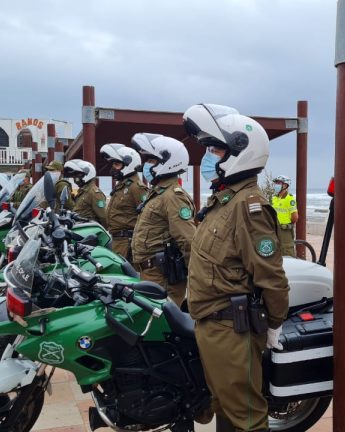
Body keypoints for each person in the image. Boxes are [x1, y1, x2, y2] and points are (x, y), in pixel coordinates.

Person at [183, 103, 289, 432]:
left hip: (231, 329)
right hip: (211, 325)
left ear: (241, 153)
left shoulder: (249, 205)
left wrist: (274, 325)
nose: (210, 156)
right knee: (225, 409)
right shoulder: (224, 200)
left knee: (246, 416)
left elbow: (270, 275)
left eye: (216, 149)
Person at [130, 133, 195, 307]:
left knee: (160, 329)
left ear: (168, 162)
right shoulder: (158, 193)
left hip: (163, 277)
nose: (146, 165)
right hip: (152, 274)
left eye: (152, 160)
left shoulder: (173, 196)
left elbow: (187, 240)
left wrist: (196, 280)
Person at [100, 143, 148, 260]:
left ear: (128, 165)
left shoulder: (136, 187)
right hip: (118, 241)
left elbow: (146, 216)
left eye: (117, 164)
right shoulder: (122, 185)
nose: (113, 168)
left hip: (127, 243)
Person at [65, 160, 107, 226]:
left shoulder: (94, 192)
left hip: (90, 230)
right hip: (81, 228)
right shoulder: (83, 192)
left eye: (78, 174)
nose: (75, 178)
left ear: (87, 174)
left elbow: (103, 216)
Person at [271, 175, 298, 257]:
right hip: (275, 229)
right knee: (275, 251)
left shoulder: (290, 199)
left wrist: (287, 224)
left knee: (287, 252)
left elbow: (295, 217)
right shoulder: (274, 198)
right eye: (275, 183)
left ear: (285, 185)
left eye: (278, 183)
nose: (276, 185)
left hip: (285, 230)